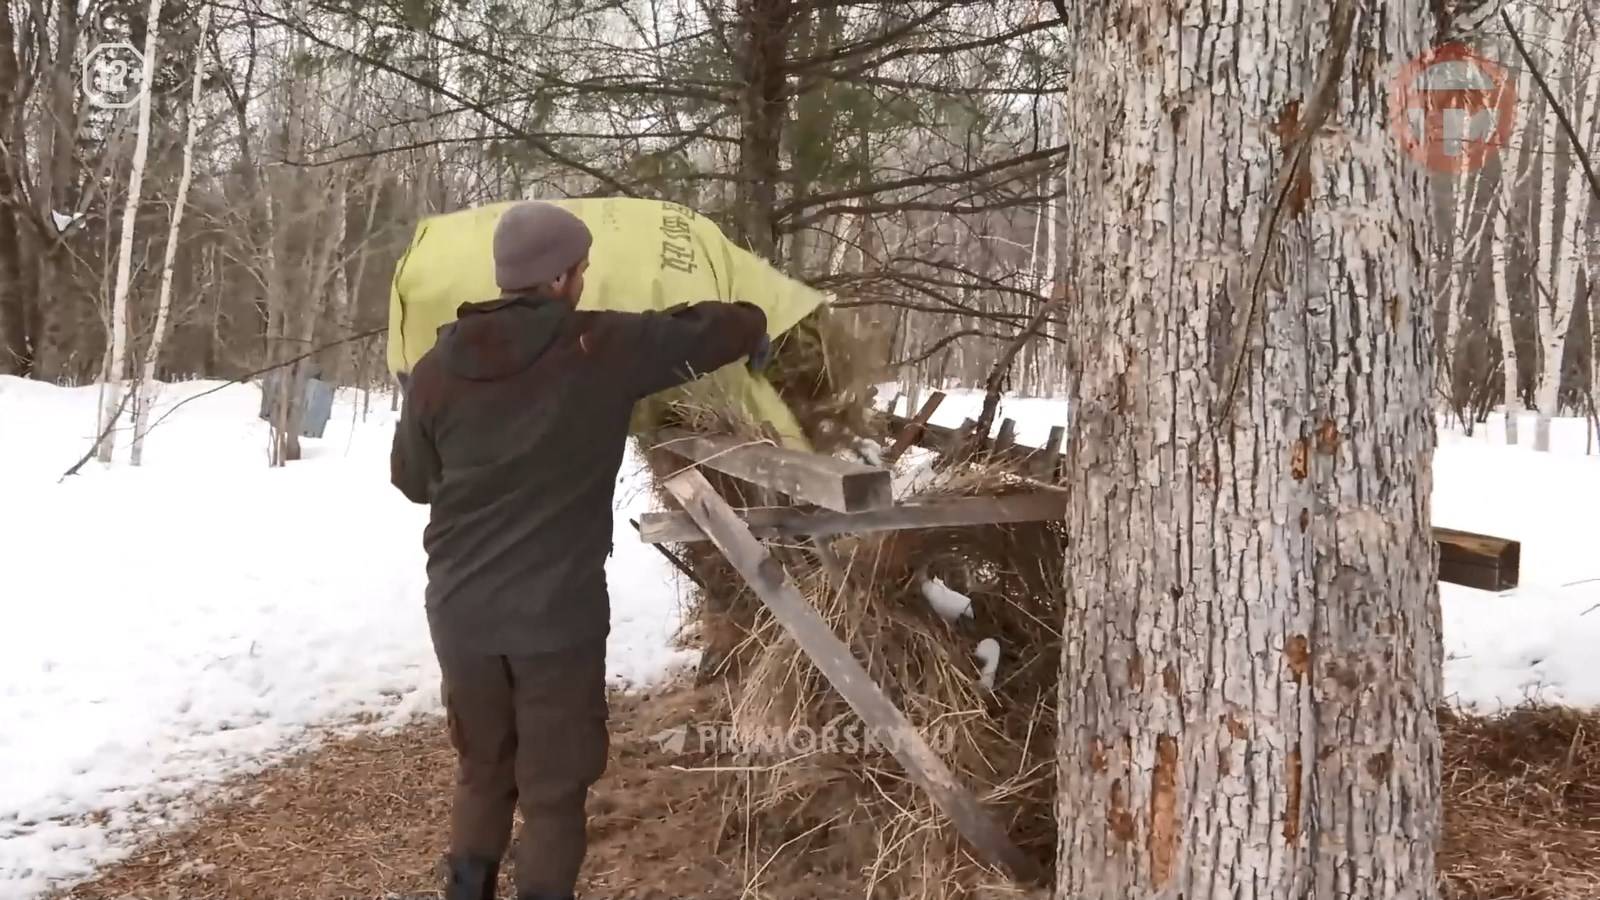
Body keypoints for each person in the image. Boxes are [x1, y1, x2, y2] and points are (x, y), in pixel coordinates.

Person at [390, 200, 770, 900]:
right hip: (554, 621)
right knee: (554, 793)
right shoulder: (599, 349)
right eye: (584, 268)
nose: (586, 280)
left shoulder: (436, 368)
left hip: (461, 615)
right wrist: (755, 324)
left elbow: (413, 483)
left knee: (482, 769)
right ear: (562, 276)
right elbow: (694, 331)